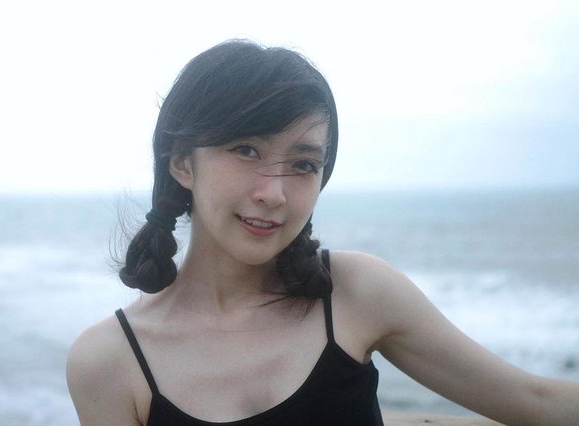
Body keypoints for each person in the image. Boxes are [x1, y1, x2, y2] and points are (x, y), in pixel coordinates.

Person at [66, 40, 579, 426]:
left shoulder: (355, 292)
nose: (275, 193)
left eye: (304, 164)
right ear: (182, 163)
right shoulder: (110, 361)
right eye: (246, 150)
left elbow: (535, 401)